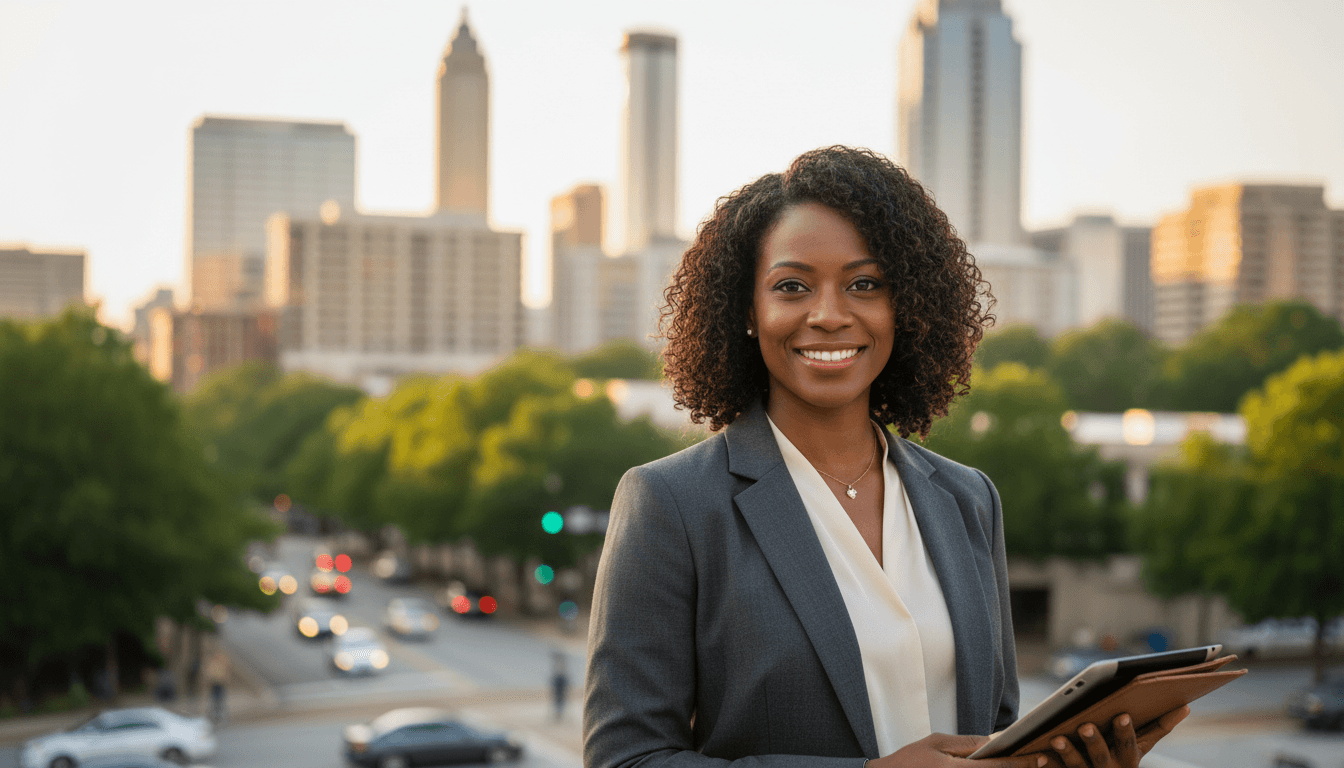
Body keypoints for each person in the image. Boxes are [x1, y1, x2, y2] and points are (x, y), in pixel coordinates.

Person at [583, 146, 1190, 768]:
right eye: (792, 286)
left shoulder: (968, 498)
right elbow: (626, 759)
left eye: (865, 284)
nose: (829, 315)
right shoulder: (672, 504)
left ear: (906, 306)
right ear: (748, 310)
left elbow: (995, 731)